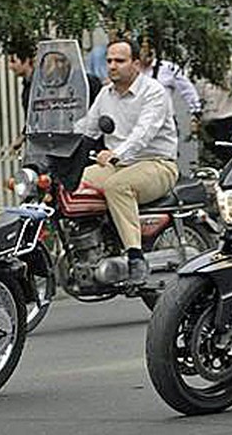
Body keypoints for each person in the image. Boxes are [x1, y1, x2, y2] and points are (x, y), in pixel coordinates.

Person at [74, 40, 179, 286]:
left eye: (119, 61)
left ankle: (135, 257)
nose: (112, 66)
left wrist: (116, 154)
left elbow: (143, 133)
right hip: (118, 164)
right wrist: (55, 140)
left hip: (157, 163)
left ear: (136, 64)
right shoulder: (105, 93)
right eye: (109, 60)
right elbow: (86, 130)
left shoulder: (153, 92)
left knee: (117, 186)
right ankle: (94, 243)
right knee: (74, 184)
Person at [137, 34, 203, 135]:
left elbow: (188, 90)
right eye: (142, 49)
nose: (146, 55)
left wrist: (196, 112)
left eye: (149, 50)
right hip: (138, 122)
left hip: (165, 122)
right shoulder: (132, 70)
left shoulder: (168, 68)